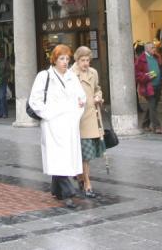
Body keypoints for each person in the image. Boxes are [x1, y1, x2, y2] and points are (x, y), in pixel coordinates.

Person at [28, 44, 86, 209]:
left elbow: (80, 96)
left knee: (65, 157)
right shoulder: (44, 76)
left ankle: (56, 189)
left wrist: (77, 110)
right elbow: (35, 100)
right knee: (58, 157)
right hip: (53, 125)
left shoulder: (72, 77)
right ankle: (68, 193)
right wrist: (49, 115)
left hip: (69, 124)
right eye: (62, 58)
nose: (65, 62)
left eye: (67, 58)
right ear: (54, 59)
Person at [71, 46, 104, 197]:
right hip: (78, 119)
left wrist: (98, 96)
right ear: (77, 60)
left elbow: (97, 88)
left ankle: (81, 177)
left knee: (87, 154)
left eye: (87, 60)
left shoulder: (93, 72)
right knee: (84, 154)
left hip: (92, 117)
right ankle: (87, 184)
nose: (85, 63)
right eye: (82, 60)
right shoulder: (71, 74)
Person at [135, 41, 162, 134]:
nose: (154, 49)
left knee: (153, 106)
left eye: (154, 47)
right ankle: (157, 126)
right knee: (153, 106)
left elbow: (160, 67)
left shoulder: (156, 57)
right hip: (148, 87)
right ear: (147, 49)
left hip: (158, 85)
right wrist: (147, 76)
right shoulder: (141, 59)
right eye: (152, 48)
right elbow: (137, 75)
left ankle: (145, 124)